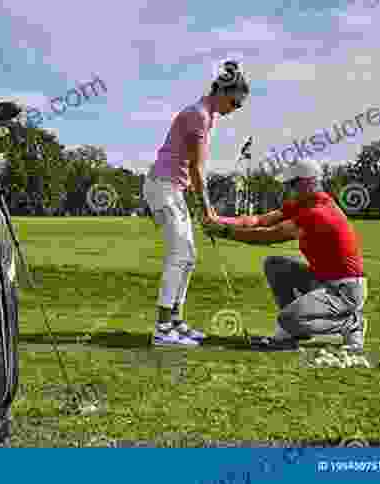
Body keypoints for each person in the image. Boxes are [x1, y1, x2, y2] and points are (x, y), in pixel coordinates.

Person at [203, 158, 368, 351]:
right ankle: (295, 331)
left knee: (287, 319)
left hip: (344, 291)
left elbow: (268, 236)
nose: (289, 189)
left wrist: (223, 232)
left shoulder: (318, 212)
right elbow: (260, 221)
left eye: (292, 184)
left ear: (307, 183)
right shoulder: (302, 204)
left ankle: (351, 323)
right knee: (275, 265)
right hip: (323, 281)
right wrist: (217, 221)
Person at [143, 60, 250, 346]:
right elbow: (197, 169)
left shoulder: (210, 116)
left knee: (188, 257)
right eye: (235, 103)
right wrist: (208, 210)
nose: (235, 109)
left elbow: (190, 170)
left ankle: (176, 322)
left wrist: (197, 200)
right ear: (223, 92)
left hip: (174, 189)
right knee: (179, 255)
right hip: (162, 188)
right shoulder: (199, 115)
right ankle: (162, 329)